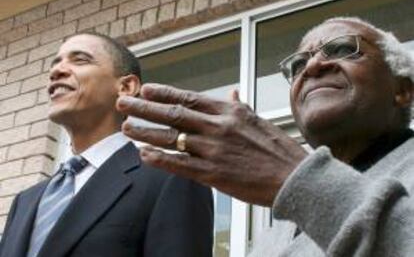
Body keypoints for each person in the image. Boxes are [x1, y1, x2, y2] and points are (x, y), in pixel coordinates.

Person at [115, 17, 414, 256]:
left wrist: (299, 180)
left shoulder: (296, 187)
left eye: (341, 49)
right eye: (298, 65)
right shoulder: (279, 229)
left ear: (403, 90)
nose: (312, 66)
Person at [0, 33, 213, 257]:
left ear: (126, 87)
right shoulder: (25, 201)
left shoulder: (172, 177)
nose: (56, 71)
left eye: (80, 60)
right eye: (56, 63)